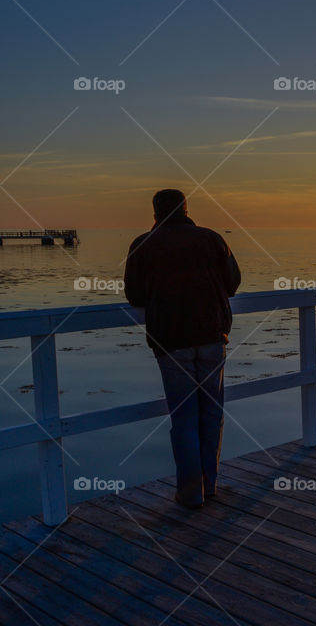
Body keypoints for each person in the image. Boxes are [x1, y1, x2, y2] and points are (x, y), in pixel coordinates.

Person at [124, 189, 241, 509]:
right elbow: (232, 283)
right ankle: (210, 484)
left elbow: (134, 296)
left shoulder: (142, 245)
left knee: (184, 416)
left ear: (155, 213)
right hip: (212, 336)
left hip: (170, 341)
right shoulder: (212, 239)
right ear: (186, 210)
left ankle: (190, 492)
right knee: (212, 412)